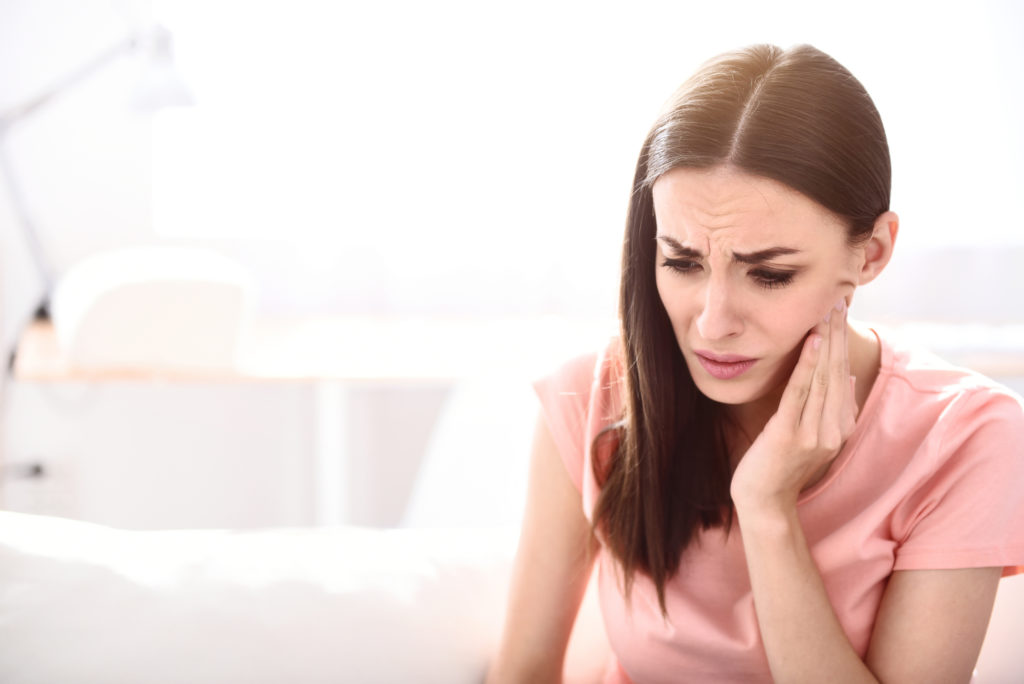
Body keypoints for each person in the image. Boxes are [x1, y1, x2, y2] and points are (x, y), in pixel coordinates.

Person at [485, 43, 1024, 683]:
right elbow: (520, 674)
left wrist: (767, 508)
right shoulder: (594, 394)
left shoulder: (965, 437)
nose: (712, 323)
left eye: (769, 274)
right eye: (682, 263)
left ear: (872, 254)